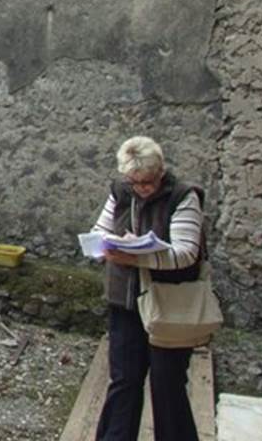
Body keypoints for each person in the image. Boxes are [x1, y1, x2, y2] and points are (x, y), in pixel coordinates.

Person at [91, 136, 204, 441]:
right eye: (135, 182)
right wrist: (103, 247)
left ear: (160, 172)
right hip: (126, 303)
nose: (142, 188)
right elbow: (100, 231)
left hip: (168, 305)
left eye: (148, 182)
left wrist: (138, 256)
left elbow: (185, 252)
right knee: (124, 381)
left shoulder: (183, 196)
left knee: (167, 384)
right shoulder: (120, 192)